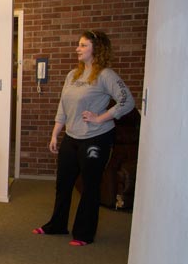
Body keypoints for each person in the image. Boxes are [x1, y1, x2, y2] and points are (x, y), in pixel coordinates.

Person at [32, 30, 134, 246]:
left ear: (96, 49)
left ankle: (84, 234)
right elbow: (63, 106)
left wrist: (101, 117)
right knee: (63, 183)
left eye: (83, 45)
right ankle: (57, 225)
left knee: (90, 186)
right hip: (71, 137)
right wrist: (55, 133)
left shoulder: (106, 75)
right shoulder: (73, 75)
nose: (77, 49)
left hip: (96, 138)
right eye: (78, 45)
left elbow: (127, 102)